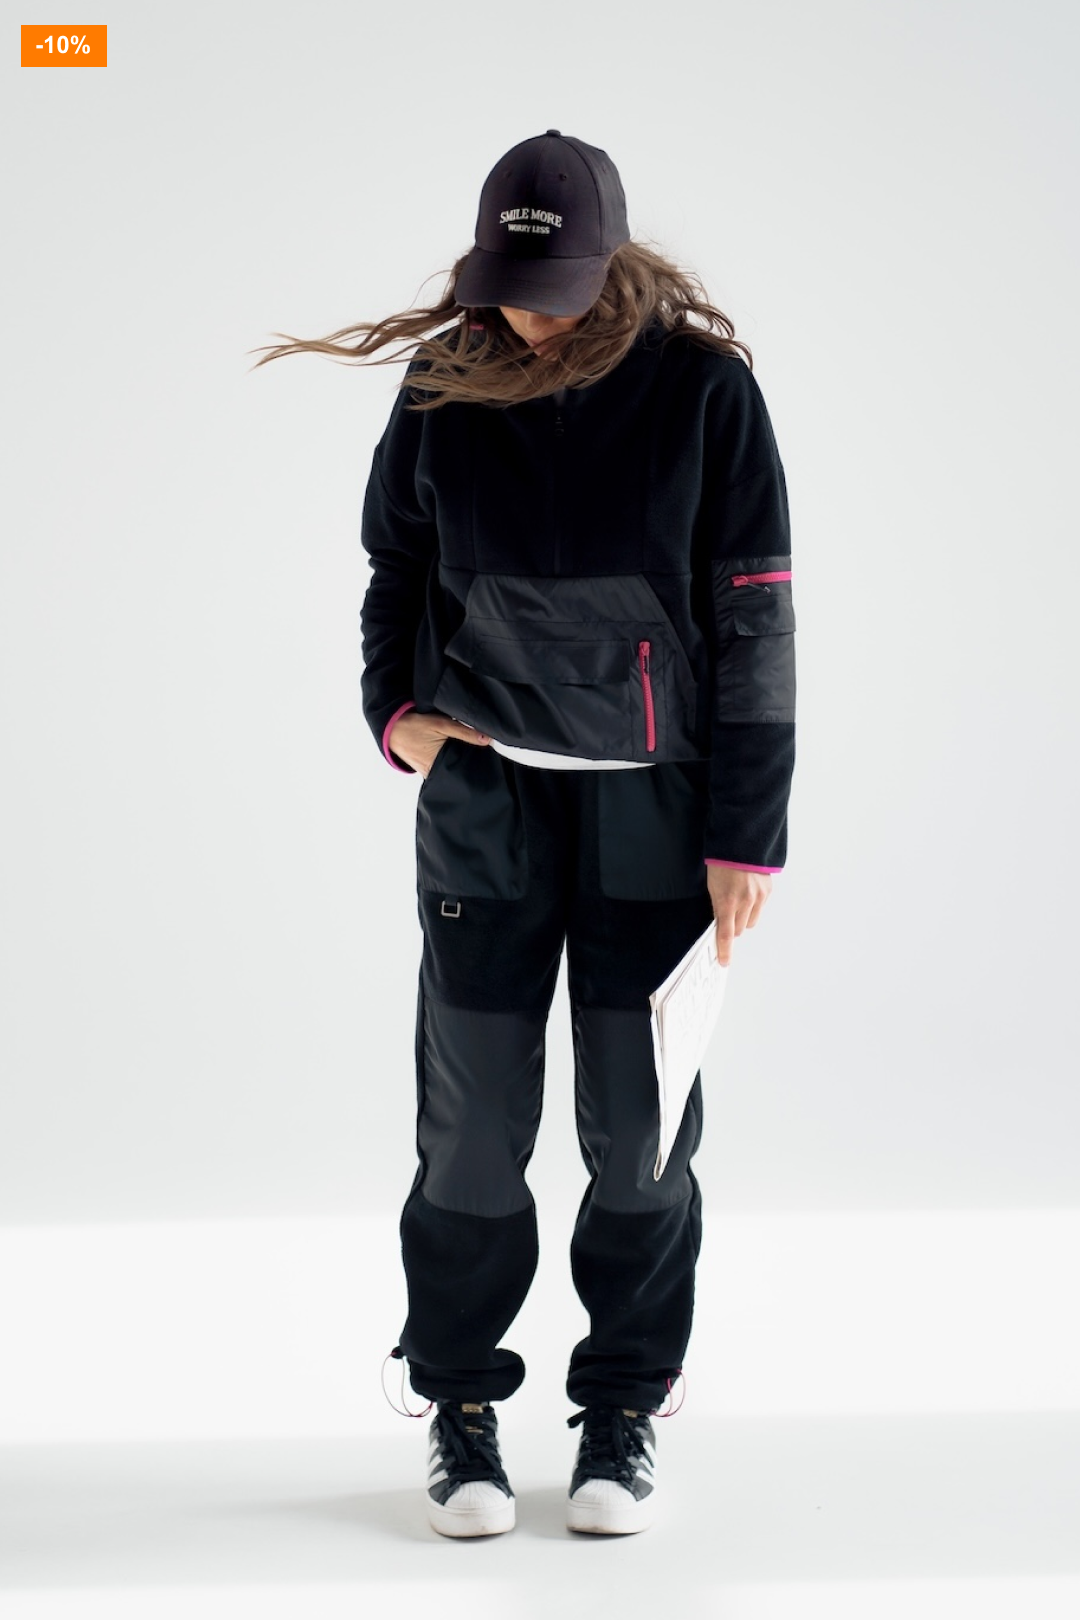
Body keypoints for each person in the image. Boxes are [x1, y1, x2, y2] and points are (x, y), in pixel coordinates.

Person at [253, 129, 796, 1539]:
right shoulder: (446, 382)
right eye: (510, 285)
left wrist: (748, 831)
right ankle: (459, 1403)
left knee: (640, 1133)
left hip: (658, 808)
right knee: (474, 1127)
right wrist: (397, 717)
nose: (530, 316)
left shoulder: (705, 392)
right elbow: (394, 566)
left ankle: (624, 1404)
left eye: (555, 290)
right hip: (487, 801)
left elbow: (755, 610)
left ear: (614, 266)